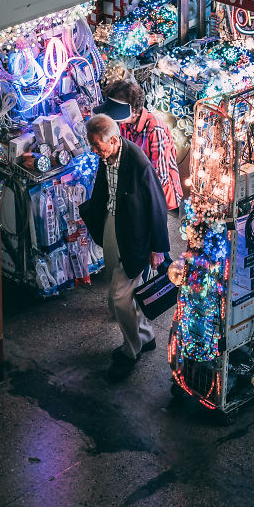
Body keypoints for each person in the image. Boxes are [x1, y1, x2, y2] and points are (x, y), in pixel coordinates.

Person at [80, 114, 170, 381]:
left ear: (115, 140)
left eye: (98, 146)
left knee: (119, 299)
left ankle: (131, 350)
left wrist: (158, 249)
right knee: (116, 288)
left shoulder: (139, 164)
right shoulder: (106, 157)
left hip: (134, 236)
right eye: (93, 146)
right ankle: (146, 334)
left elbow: (158, 207)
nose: (95, 151)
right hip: (112, 223)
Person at [99, 78, 183, 215]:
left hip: (157, 195)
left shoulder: (155, 129)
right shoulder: (125, 123)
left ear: (132, 111)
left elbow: (159, 178)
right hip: (137, 186)